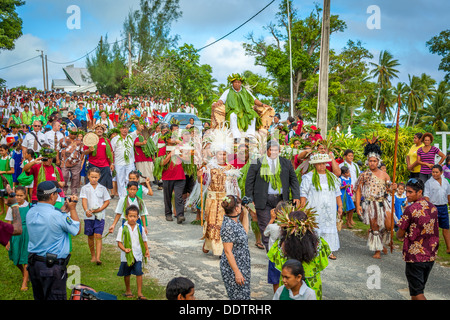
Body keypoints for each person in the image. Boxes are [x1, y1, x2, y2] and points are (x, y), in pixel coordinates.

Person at [27, 181, 80, 300]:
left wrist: (63, 211)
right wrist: (72, 209)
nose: (57, 196)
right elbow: (76, 229)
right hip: (52, 268)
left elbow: (51, 218)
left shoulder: (31, 211)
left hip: (34, 264)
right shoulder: (57, 216)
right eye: (56, 194)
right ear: (51, 195)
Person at [245, 139, 301, 251]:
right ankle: (270, 252)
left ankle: (281, 250)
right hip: (263, 200)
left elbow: (293, 180)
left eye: (276, 150)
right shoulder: (257, 162)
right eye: (271, 150)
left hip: (281, 200)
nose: (274, 152)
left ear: (279, 151)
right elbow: (249, 182)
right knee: (266, 225)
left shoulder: (286, 163)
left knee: (283, 226)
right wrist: (250, 200)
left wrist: (296, 196)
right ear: (267, 151)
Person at [267, 208, 331, 300]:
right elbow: (325, 257)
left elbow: (273, 259)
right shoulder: (318, 243)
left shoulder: (281, 244)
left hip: (289, 283)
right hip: (312, 284)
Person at [397, 178, 439, 300]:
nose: (407, 195)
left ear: (419, 192)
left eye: (410, 192)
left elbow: (400, 232)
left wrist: (398, 237)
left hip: (415, 257)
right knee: (415, 291)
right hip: (430, 255)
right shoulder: (433, 208)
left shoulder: (411, 209)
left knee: (418, 293)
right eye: (406, 191)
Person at [355, 136, 395, 259]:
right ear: (367, 161)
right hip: (371, 204)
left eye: (374, 161)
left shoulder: (385, 175)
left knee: (389, 225)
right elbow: (358, 191)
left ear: (378, 162)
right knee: (375, 227)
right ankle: (377, 249)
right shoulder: (364, 175)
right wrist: (358, 206)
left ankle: (382, 242)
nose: (372, 163)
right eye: (370, 161)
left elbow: (389, 189)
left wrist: (392, 187)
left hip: (383, 203)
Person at [300, 152, 343, 259]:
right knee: (315, 227)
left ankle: (329, 250)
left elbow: (337, 193)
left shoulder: (332, 177)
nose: (322, 166)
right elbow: (303, 193)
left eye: (324, 164)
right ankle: (314, 250)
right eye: (319, 164)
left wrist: (340, 206)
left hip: (330, 208)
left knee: (329, 227)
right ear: (314, 164)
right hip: (315, 207)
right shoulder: (309, 177)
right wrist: (302, 207)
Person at [212, 73, 272, 138]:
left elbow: (254, 99)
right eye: (235, 82)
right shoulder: (228, 91)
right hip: (233, 111)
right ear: (232, 83)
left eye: (239, 82)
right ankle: (236, 136)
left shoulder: (246, 91)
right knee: (232, 116)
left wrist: (262, 104)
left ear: (241, 83)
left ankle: (250, 135)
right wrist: (218, 102)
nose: (237, 84)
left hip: (246, 111)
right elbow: (222, 100)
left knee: (253, 116)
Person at [220, 195, 250, 300]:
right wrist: (237, 272)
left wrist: (245, 214)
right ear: (237, 209)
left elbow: (244, 234)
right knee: (239, 297)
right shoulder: (228, 226)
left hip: (242, 264)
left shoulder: (234, 221)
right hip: (233, 267)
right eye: (240, 206)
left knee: (244, 296)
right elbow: (228, 251)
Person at [116, 205, 149, 300]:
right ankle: (128, 290)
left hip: (137, 255)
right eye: (130, 216)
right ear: (126, 216)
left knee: (139, 273)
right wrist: (124, 249)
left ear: (138, 217)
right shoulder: (122, 228)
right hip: (126, 256)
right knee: (127, 273)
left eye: (135, 216)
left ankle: (139, 293)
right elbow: (119, 242)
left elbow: (144, 240)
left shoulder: (140, 228)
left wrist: (147, 250)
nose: (132, 218)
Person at [80, 167, 111, 265]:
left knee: (98, 235)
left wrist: (100, 209)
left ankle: (98, 257)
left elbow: (107, 201)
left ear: (99, 177)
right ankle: (93, 255)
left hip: (100, 215)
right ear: (88, 176)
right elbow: (84, 200)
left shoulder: (102, 188)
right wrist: (86, 210)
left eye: (96, 177)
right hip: (89, 216)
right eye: (92, 177)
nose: (94, 179)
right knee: (90, 236)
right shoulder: (85, 188)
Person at [5, 186, 30, 291]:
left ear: (25, 195)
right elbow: (9, 224)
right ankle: (24, 274)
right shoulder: (12, 207)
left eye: (21, 195)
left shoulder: (29, 206)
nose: (19, 198)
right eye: (17, 195)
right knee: (16, 257)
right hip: (15, 234)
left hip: (27, 234)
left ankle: (24, 282)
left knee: (26, 258)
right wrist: (7, 240)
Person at [111, 120, 141, 198]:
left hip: (130, 163)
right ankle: (122, 197)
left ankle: (130, 195)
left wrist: (137, 123)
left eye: (126, 128)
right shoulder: (115, 139)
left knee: (130, 179)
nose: (124, 130)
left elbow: (139, 130)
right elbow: (112, 152)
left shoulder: (131, 136)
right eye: (123, 128)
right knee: (120, 181)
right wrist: (112, 163)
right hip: (118, 163)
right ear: (120, 129)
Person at [423, 165, 450, 253]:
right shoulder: (429, 182)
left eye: (436, 172)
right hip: (434, 207)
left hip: (444, 207)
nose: (434, 174)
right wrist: (429, 208)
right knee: (433, 229)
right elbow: (426, 196)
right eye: (433, 172)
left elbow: (448, 194)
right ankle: (431, 248)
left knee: (446, 228)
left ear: (441, 172)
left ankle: (449, 248)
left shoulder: (446, 182)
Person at [83, 123, 115, 194]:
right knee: (92, 181)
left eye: (101, 129)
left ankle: (103, 195)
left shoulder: (107, 141)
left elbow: (110, 152)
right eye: (97, 129)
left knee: (105, 181)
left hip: (104, 164)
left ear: (103, 131)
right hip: (93, 164)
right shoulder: (90, 140)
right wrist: (89, 150)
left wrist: (112, 163)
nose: (99, 130)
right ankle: (91, 194)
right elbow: (84, 152)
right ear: (95, 131)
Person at [263, 201, 286, 293]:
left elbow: (265, 233)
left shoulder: (272, 227)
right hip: (286, 257)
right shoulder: (290, 227)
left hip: (274, 258)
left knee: (275, 280)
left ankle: (277, 296)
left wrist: (272, 219)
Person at [56, 128, 84, 196]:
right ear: (69, 133)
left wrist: (80, 159)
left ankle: (74, 190)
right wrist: (57, 159)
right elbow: (57, 150)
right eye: (72, 133)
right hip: (64, 162)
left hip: (76, 162)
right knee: (64, 176)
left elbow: (82, 152)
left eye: (75, 134)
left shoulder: (79, 142)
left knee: (75, 177)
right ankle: (64, 189)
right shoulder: (63, 140)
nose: (73, 135)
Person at [0, 144, 14, 214]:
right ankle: (2, 210)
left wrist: (3, 171)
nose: (1, 152)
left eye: (2, 151)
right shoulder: (0, 159)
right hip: (0, 179)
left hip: (6, 179)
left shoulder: (10, 159)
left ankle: (8, 212)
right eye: (0, 151)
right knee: (1, 196)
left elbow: (12, 171)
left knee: (6, 196)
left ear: (6, 150)